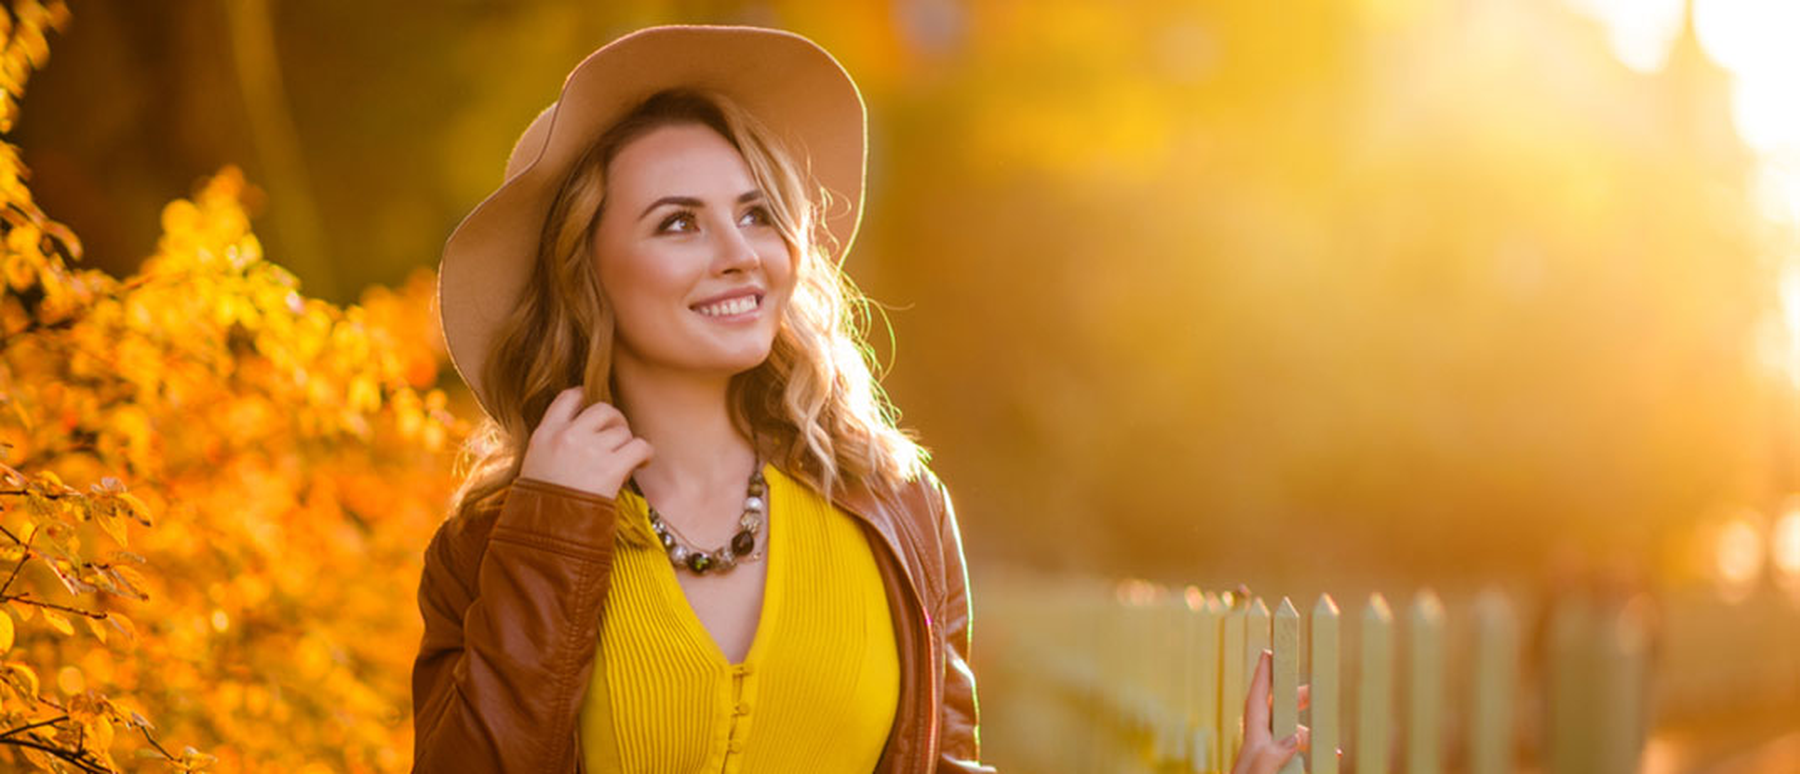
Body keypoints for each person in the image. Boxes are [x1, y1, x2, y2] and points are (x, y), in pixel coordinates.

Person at [410, 23, 1305, 774]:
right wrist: (553, 529)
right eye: (678, 222)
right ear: (586, 270)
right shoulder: (496, 543)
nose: (738, 251)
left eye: (757, 213)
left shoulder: (895, 506)